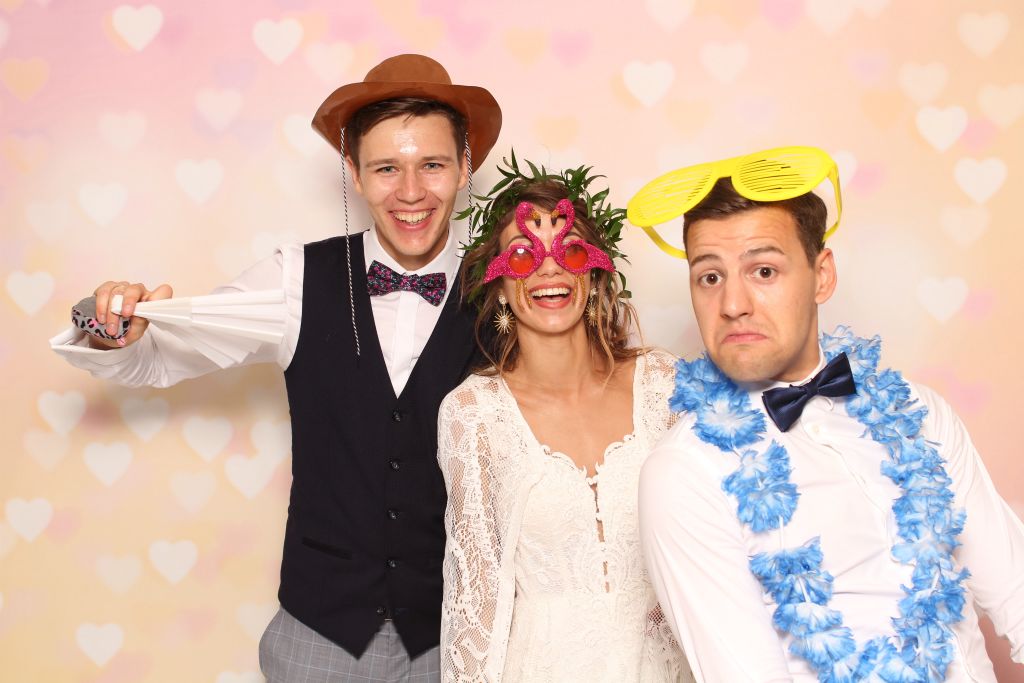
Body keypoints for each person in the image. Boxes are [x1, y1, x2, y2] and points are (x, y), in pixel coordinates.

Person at [49, 54, 502, 682]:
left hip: (455, 637)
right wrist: (111, 327)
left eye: (432, 164)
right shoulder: (296, 279)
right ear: (354, 173)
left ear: (464, 167)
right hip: (320, 638)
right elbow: (156, 361)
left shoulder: (507, 289)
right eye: (386, 168)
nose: (410, 192)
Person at [631, 146, 1024, 681]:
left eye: (763, 270)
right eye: (710, 277)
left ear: (822, 276)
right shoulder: (686, 473)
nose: (732, 304)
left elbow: (1015, 592)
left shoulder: (920, 413)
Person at [435, 156, 694, 682]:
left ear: (595, 272)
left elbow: (709, 548)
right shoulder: (472, 414)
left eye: (570, 250)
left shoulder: (665, 384)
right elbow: (474, 602)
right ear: (498, 285)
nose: (549, 269)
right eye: (523, 255)